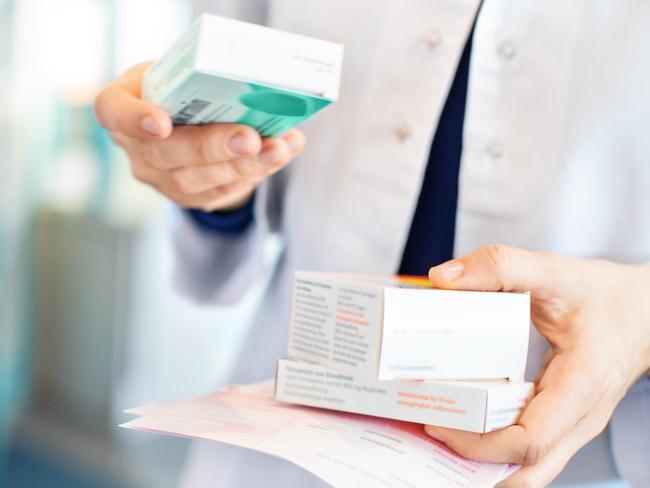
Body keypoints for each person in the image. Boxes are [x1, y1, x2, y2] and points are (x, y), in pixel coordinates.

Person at [94, 1, 650, 486]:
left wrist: (640, 320)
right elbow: (236, 129)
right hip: (289, 431)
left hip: (573, 456)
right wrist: (206, 176)